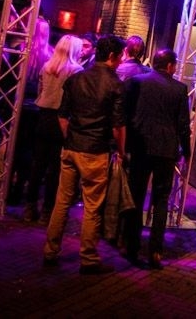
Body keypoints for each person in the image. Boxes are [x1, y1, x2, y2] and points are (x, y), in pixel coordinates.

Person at [43, 34, 126, 275]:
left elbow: (62, 116)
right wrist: (122, 151)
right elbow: (118, 127)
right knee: (92, 206)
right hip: (95, 150)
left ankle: (50, 251)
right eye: (120, 56)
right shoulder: (116, 84)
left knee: (62, 201)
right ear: (112, 56)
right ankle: (88, 258)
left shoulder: (76, 77)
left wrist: (70, 137)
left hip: (71, 148)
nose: (121, 61)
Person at [122, 48, 191, 270]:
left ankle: (132, 246)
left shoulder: (137, 82)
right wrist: (187, 151)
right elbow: (183, 125)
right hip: (166, 150)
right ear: (170, 66)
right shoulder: (179, 89)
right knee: (161, 199)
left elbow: (127, 115)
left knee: (136, 195)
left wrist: (125, 145)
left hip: (141, 147)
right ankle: (155, 251)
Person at [23, 34, 83, 223]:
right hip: (62, 120)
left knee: (38, 165)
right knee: (55, 169)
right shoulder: (76, 71)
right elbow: (75, 100)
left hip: (43, 117)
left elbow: (40, 91)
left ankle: (30, 207)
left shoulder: (46, 67)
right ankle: (48, 210)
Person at [10, 16, 55, 205]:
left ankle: (8, 186)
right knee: (30, 149)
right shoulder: (51, 55)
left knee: (14, 145)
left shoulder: (19, 50)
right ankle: (21, 187)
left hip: (17, 104)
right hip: (38, 108)